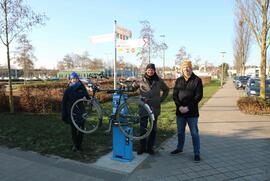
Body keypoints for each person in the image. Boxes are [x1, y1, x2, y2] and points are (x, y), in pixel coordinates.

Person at [170, 60, 203, 162]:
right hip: (180, 112)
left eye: (188, 67)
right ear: (182, 69)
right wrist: (179, 106)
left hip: (192, 113)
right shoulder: (179, 80)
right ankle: (179, 148)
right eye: (184, 67)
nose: (186, 69)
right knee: (180, 132)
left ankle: (197, 153)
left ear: (191, 68)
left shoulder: (197, 80)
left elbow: (198, 96)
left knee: (194, 133)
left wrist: (187, 107)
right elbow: (175, 95)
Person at [133, 63, 169, 155]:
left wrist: (160, 100)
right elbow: (133, 88)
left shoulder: (158, 80)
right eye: (148, 69)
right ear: (146, 70)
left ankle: (150, 148)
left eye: (152, 69)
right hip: (143, 107)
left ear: (154, 70)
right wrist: (128, 85)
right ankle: (142, 147)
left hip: (154, 107)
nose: (150, 71)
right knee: (142, 128)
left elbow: (166, 90)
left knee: (153, 128)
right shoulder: (141, 80)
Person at [61, 72, 89, 152]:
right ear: (70, 80)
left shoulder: (81, 87)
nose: (74, 80)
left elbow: (87, 97)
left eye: (75, 79)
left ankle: (79, 145)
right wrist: (64, 113)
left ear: (78, 79)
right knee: (73, 129)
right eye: (72, 79)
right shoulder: (68, 89)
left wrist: (87, 100)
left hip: (81, 111)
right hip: (72, 112)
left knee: (81, 129)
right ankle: (75, 145)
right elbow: (64, 101)